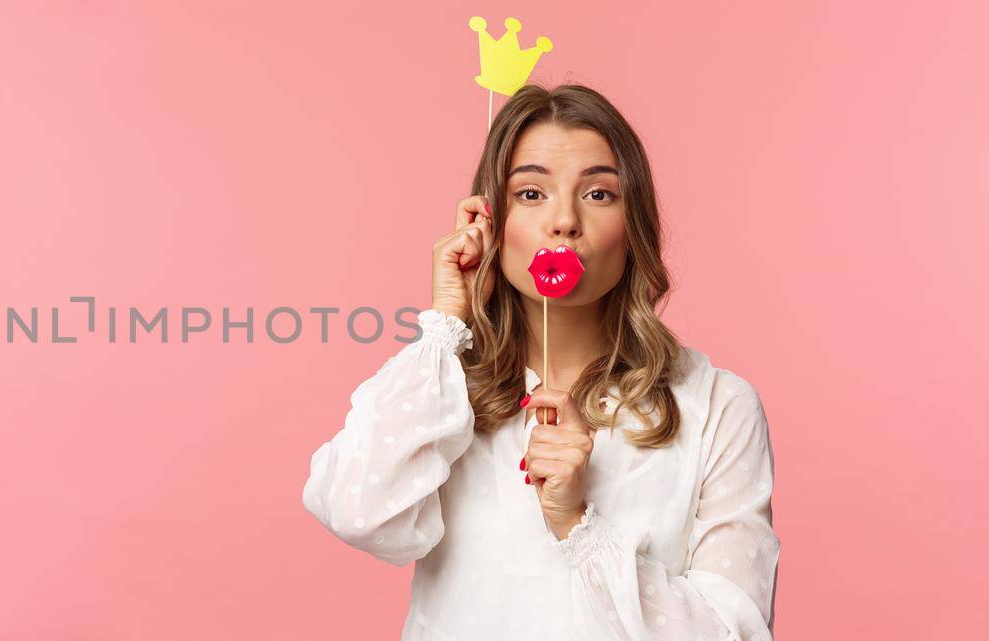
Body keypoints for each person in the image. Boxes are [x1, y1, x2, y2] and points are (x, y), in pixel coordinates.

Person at [300, 84, 780, 641]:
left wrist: (578, 525)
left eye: (599, 194)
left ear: (635, 227)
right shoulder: (441, 391)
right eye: (531, 194)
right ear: (489, 223)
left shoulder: (717, 405)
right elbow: (360, 515)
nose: (564, 221)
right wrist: (446, 325)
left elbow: (736, 630)